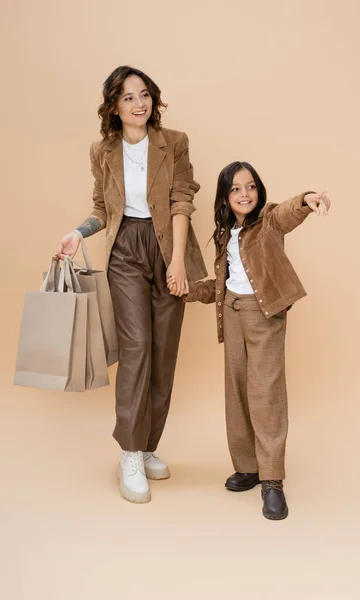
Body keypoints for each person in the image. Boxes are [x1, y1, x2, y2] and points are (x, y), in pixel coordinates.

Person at [56, 66, 207, 504]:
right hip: (125, 250)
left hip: (167, 248)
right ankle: (129, 453)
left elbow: (182, 200)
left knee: (164, 354)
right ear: (113, 106)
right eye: (128, 98)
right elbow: (103, 207)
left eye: (144, 95)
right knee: (137, 348)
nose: (138, 103)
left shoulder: (173, 142)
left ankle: (147, 444)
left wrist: (177, 263)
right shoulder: (102, 150)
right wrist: (78, 234)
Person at [173, 161, 330, 520]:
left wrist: (307, 199)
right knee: (238, 389)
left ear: (259, 193)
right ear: (225, 198)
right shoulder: (225, 233)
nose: (245, 194)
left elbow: (289, 212)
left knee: (265, 392)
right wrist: (189, 291)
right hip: (231, 311)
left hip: (264, 314)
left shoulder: (269, 222)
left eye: (251, 187)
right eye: (236, 189)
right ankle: (248, 468)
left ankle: (272, 479)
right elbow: (220, 283)